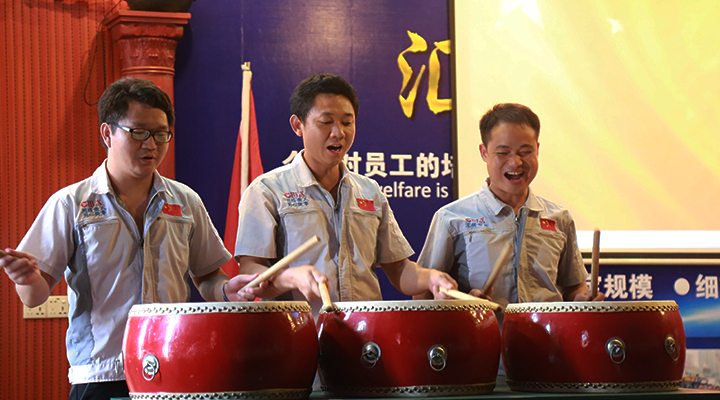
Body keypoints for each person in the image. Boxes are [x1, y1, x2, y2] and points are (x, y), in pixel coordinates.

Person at [0, 77, 261, 400]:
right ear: (107, 133)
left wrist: (225, 290)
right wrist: (27, 279)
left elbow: (208, 277)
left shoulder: (186, 201)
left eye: (161, 134)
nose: (151, 144)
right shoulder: (71, 204)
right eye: (138, 132)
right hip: (102, 373)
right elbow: (34, 296)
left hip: (173, 367)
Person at [227, 73, 457, 311]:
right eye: (326, 122)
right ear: (298, 125)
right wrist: (290, 278)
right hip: (299, 328)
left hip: (366, 329)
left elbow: (399, 270)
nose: (338, 133)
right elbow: (249, 272)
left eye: (347, 122)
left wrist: (430, 278)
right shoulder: (268, 190)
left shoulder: (370, 191)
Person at [415, 103, 605, 310]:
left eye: (526, 151)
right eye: (503, 153)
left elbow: (573, 287)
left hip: (548, 331)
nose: (515, 162)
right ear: (484, 152)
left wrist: (582, 300)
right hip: (481, 330)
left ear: (537, 150)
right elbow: (422, 295)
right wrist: (460, 303)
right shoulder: (451, 218)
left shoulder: (559, 218)